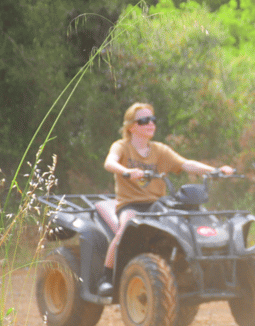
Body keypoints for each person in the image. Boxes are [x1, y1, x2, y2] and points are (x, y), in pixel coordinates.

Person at [97, 102, 234, 296]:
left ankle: (191, 271)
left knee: (187, 225)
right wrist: (126, 171)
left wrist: (216, 171)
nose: (150, 124)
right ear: (131, 127)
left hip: (157, 205)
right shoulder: (121, 146)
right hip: (131, 205)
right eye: (144, 121)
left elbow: (186, 164)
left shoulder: (159, 150)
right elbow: (109, 162)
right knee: (123, 231)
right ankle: (106, 276)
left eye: (152, 119)